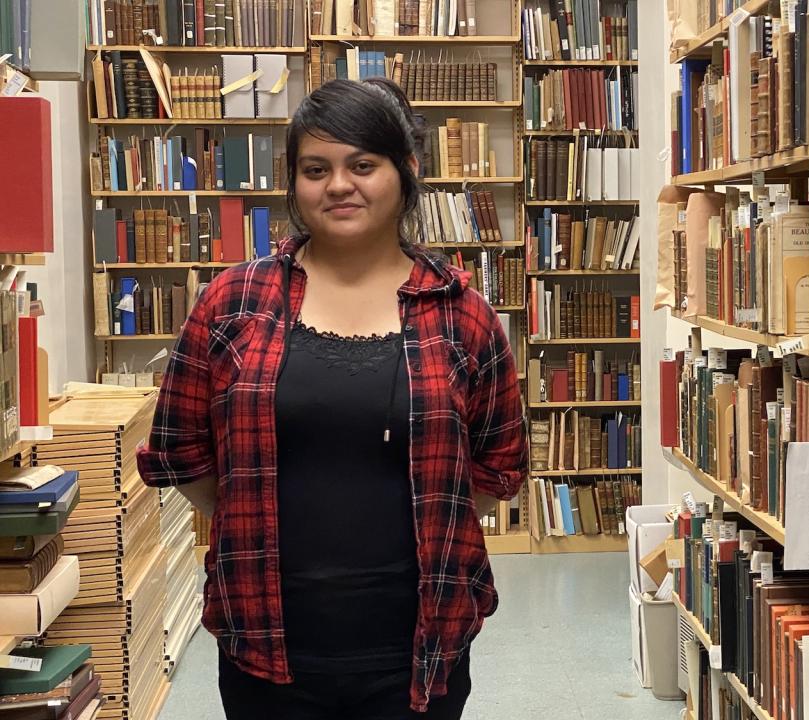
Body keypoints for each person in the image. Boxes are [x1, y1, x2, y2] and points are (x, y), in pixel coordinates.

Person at [137, 77, 528, 719]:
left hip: (419, 645)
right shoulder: (232, 303)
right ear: (294, 183)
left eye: (362, 165)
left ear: (406, 170)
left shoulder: (464, 315)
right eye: (315, 169)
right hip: (266, 641)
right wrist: (248, 509)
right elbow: (184, 451)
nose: (338, 185)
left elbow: (495, 466)